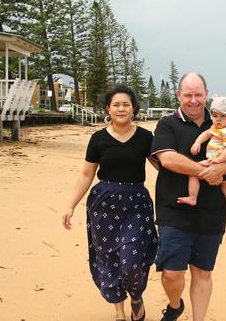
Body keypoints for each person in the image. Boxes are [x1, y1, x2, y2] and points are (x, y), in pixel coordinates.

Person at [150, 72, 226, 321]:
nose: (193, 100)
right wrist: (207, 172)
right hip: (174, 208)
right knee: (172, 273)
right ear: (178, 96)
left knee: (202, 272)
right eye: (188, 95)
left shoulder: (220, 122)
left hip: (212, 211)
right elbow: (168, 159)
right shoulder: (167, 124)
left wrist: (223, 167)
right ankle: (174, 305)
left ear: (206, 94)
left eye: (198, 95)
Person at [62, 85, 158, 321]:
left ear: (134, 108)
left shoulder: (146, 137)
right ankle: (118, 311)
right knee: (107, 258)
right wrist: (71, 205)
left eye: (126, 104)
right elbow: (86, 175)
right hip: (104, 205)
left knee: (132, 260)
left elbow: (164, 167)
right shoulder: (98, 139)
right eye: (116, 104)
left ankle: (136, 296)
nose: (121, 108)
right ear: (108, 108)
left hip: (137, 204)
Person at [177, 95, 226, 224]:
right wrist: (197, 143)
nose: (218, 120)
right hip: (217, 160)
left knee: (193, 172)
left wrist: (220, 160)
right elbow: (206, 134)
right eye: (215, 116)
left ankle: (193, 197)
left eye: (223, 116)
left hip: (220, 160)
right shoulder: (216, 127)